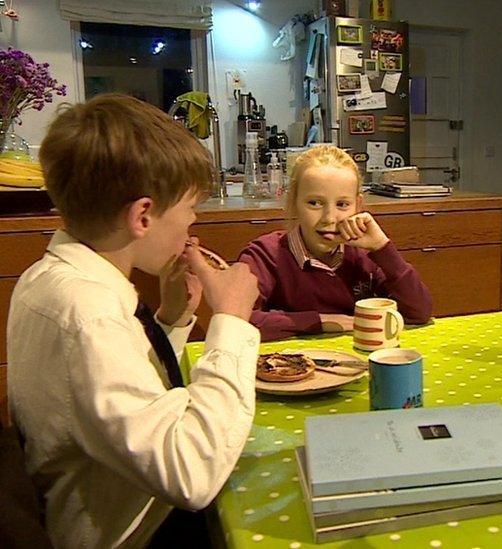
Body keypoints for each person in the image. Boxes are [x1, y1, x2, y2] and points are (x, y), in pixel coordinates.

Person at [6, 93, 261, 547]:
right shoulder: (88, 312)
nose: (193, 223)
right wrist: (231, 321)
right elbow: (191, 475)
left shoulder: (50, 276)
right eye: (189, 209)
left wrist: (171, 322)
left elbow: (116, 403)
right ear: (143, 215)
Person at [238, 145, 433, 341]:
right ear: (294, 203)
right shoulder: (265, 254)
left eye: (342, 204)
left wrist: (383, 247)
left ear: (358, 205)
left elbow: (419, 313)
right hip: (291, 365)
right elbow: (237, 320)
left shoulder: (367, 254)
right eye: (314, 203)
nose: (329, 218)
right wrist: (321, 322)